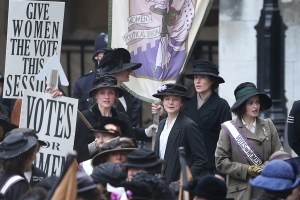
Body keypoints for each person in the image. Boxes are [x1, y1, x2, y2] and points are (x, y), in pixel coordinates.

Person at [152, 60, 232, 175]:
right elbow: (173, 129)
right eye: (195, 77)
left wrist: (220, 172)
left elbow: (226, 142)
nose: (197, 81)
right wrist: (163, 114)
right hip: (185, 166)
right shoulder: (187, 104)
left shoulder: (221, 105)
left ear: (212, 80)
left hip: (210, 166)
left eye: (202, 77)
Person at [215, 82, 283, 200]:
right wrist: (247, 170)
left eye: (257, 102)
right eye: (250, 103)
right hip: (240, 193)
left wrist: (264, 167)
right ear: (242, 106)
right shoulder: (228, 129)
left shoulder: (268, 124)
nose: (255, 106)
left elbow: (279, 155)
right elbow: (220, 162)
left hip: (266, 189)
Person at [152, 83, 207, 184]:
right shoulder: (161, 123)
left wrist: (183, 180)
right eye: (167, 98)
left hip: (178, 184)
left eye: (175, 99)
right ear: (162, 102)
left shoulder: (188, 125)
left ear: (182, 103)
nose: (171, 102)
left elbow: (201, 160)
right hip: (160, 182)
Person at [74, 72, 135, 163]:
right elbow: (77, 153)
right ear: (96, 96)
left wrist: (118, 143)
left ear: (115, 96)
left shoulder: (123, 119)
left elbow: (132, 149)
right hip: (92, 172)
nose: (107, 97)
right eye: (102, 93)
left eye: (111, 93)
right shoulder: (83, 118)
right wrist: (95, 145)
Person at [98, 48, 143, 127]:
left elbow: (127, 127)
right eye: (127, 69)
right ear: (117, 71)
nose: (130, 71)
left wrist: (145, 132)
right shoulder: (103, 96)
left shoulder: (125, 94)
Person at [73, 33, 111, 111]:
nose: (108, 57)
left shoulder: (123, 81)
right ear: (96, 56)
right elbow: (76, 114)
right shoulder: (83, 84)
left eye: (111, 53)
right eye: (105, 53)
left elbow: (133, 113)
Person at [0, 128, 39, 200]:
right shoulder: (18, 184)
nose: (34, 158)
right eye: (34, 154)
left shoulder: (3, 176)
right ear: (28, 157)